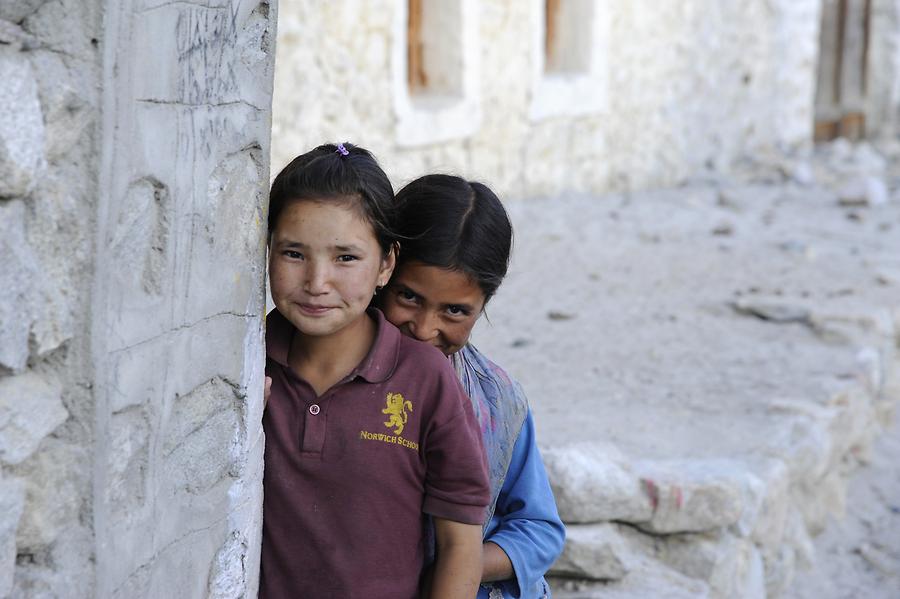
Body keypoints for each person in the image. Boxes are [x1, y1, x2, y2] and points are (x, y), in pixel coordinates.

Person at [261, 144, 490, 599]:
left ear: (387, 263)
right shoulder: (245, 366)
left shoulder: (425, 380)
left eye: (346, 257)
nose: (317, 282)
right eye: (293, 253)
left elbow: (459, 543)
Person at [379, 174, 566, 598]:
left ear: (484, 304)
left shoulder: (497, 399)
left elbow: (538, 528)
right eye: (408, 297)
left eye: (455, 311)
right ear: (383, 268)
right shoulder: (332, 375)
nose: (425, 329)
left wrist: (459, 565)